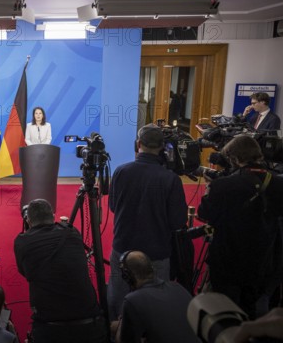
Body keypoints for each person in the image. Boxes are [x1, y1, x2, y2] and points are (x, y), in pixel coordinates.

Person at [107, 123, 187, 321]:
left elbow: (113, 207)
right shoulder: (170, 179)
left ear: (138, 144)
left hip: (123, 247)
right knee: (158, 305)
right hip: (157, 251)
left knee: (118, 301)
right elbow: (178, 221)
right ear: (162, 147)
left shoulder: (120, 171)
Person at [197, 135, 283, 319]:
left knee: (223, 313)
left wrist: (208, 190)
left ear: (234, 159)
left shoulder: (223, 185)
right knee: (252, 310)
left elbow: (204, 214)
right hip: (263, 260)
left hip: (228, 261)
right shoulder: (278, 183)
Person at [14, 199, 106, 343]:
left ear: (29, 220)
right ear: (53, 216)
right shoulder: (72, 232)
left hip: (50, 329)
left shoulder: (22, 241)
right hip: (90, 325)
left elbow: (26, 272)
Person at [113, 251, 199, 343]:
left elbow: (123, 341)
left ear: (126, 276)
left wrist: (121, 322)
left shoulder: (132, 300)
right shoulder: (177, 287)